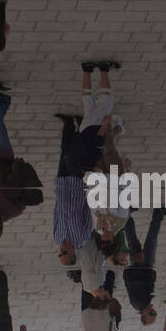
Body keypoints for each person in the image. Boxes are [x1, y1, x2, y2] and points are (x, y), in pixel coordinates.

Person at [54, 113, 94, 266]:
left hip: (62, 186)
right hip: (77, 185)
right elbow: (88, 211)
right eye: (64, 253)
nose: (61, 249)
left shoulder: (57, 237)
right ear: (72, 252)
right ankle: (81, 127)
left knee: (64, 153)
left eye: (60, 253)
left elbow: (56, 216)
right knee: (72, 154)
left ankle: (69, 124)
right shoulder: (83, 235)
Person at [123, 208, 165, 325]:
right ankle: (126, 214)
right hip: (140, 267)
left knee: (151, 238)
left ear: (143, 314)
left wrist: (137, 263)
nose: (154, 311)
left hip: (142, 265)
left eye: (151, 314)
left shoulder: (140, 302)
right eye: (155, 313)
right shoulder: (141, 303)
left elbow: (134, 283)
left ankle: (159, 213)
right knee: (132, 239)